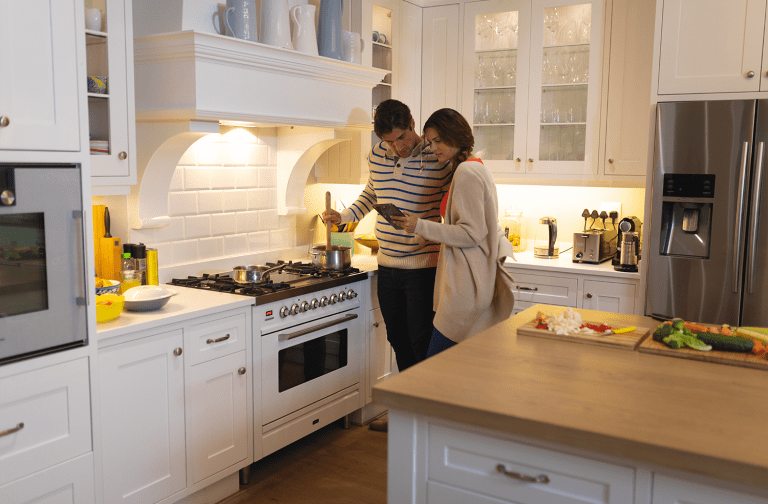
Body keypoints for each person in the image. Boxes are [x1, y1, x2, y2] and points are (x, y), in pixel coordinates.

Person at [322, 100, 453, 431]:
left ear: (412, 123)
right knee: (397, 339)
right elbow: (371, 193)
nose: (398, 146)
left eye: (403, 137)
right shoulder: (377, 155)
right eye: (390, 141)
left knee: (422, 341)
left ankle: (429, 418)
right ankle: (407, 413)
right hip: (388, 265)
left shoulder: (436, 156)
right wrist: (344, 217)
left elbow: (452, 208)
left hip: (424, 265)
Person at [391, 108, 515, 357]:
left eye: (438, 141)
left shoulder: (466, 172)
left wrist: (419, 225)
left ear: (455, 136)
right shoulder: (475, 166)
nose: (433, 148)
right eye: (430, 142)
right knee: (456, 369)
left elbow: (471, 234)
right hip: (470, 280)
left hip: (465, 286)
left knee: (436, 367)